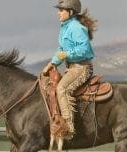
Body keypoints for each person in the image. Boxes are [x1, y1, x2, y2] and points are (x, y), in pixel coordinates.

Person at [42, 0, 97, 139]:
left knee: (62, 89)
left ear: (71, 12)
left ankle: (68, 128)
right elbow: (61, 49)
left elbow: (83, 49)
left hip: (81, 67)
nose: (58, 13)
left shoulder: (76, 28)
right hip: (72, 67)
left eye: (61, 10)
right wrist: (52, 63)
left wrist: (67, 54)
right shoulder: (65, 28)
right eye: (59, 10)